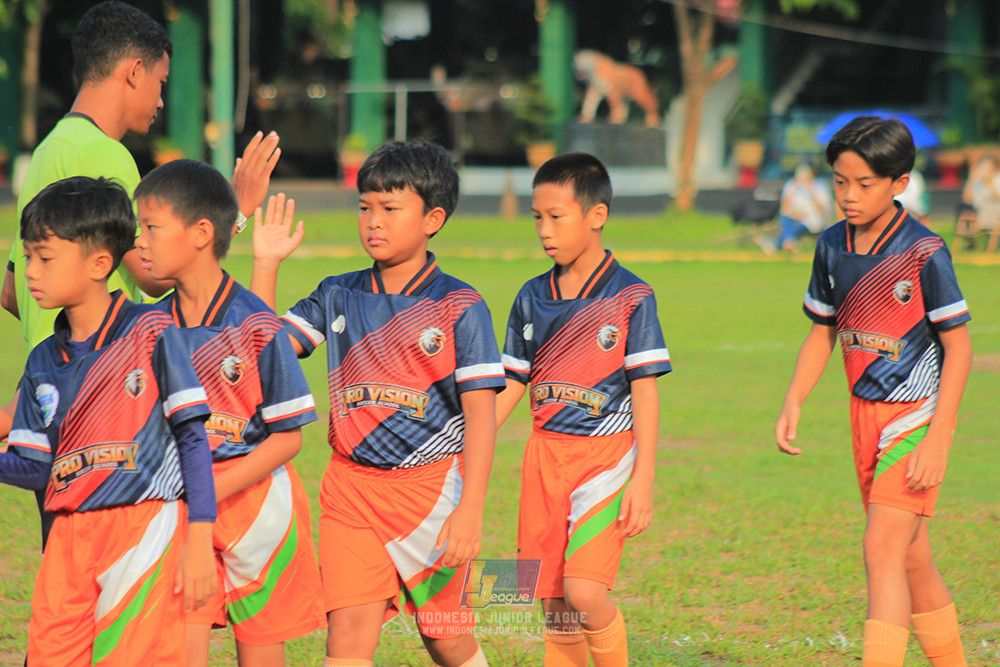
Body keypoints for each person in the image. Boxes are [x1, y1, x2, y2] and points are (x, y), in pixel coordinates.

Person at [0, 0, 279, 549]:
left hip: (49, 382)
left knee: (69, 564)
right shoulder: (107, 157)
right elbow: (154, 275)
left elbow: (14, 289)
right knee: (124, 572)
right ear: (133, 71)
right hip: (105, 396)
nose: (160, 99)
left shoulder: (48, 150)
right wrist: (235, 213)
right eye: (160, 81)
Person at [251, 140, 505, 667]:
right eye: (365, 207)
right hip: (349, 493)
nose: (373, 221)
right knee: (345, 641)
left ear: (433, 218)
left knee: (447, 639)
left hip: (430, 495)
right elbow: (262, 353)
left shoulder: (461, 305)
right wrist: (267, 263)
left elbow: (481, 414)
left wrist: (472, 509)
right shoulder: (337, 294)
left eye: (391, 208)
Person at [775, 116, 972, 667]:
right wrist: (794, 398)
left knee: (881, 549)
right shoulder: (831, 245)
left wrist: (938, 438)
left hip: (914, 418)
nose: (848, 196)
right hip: (864, 417)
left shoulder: (924, 252)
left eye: (864, 184)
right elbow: (823, 329)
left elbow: (959, 348)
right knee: (911, 559)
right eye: (840, 182)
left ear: (899, 183)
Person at [0, 176, 217, 665]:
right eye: (27, 256)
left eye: (44, 257)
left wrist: (201, 534)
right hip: (65, 538)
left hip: (143, 527)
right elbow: (36, 467)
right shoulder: (41, 360)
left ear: (100, 263)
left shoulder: (152, 332)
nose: (29, 272)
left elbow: (192, 438)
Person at [133, 159, 325, 666]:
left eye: (151, 227)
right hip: (180, 514)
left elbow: (288, 439)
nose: (140, 242)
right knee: (181, 651)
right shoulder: (147, 327)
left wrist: (207, 492)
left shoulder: (258, 324)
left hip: (259, 509)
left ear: (200, 233)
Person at [495, 152, 672, 667]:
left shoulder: (631, 295)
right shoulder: (532, 296)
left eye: (557, 216)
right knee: (551, 601)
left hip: (606, 461)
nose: (544, 230)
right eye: (537, 218)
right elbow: (511, 381)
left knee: (585, 594)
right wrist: (471, 437)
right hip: (544, 459)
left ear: (596, 216)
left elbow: (645, 389)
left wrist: (644, 477)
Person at [774, 162, 833, 252]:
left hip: (813, 219)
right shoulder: (792, 185)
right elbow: (784, 206)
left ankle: (779, 243)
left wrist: (810, 191)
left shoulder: (820, 186)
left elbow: (824, 209)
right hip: (794, 217)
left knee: (793, 226)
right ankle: (788, 242)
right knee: (786, 218)